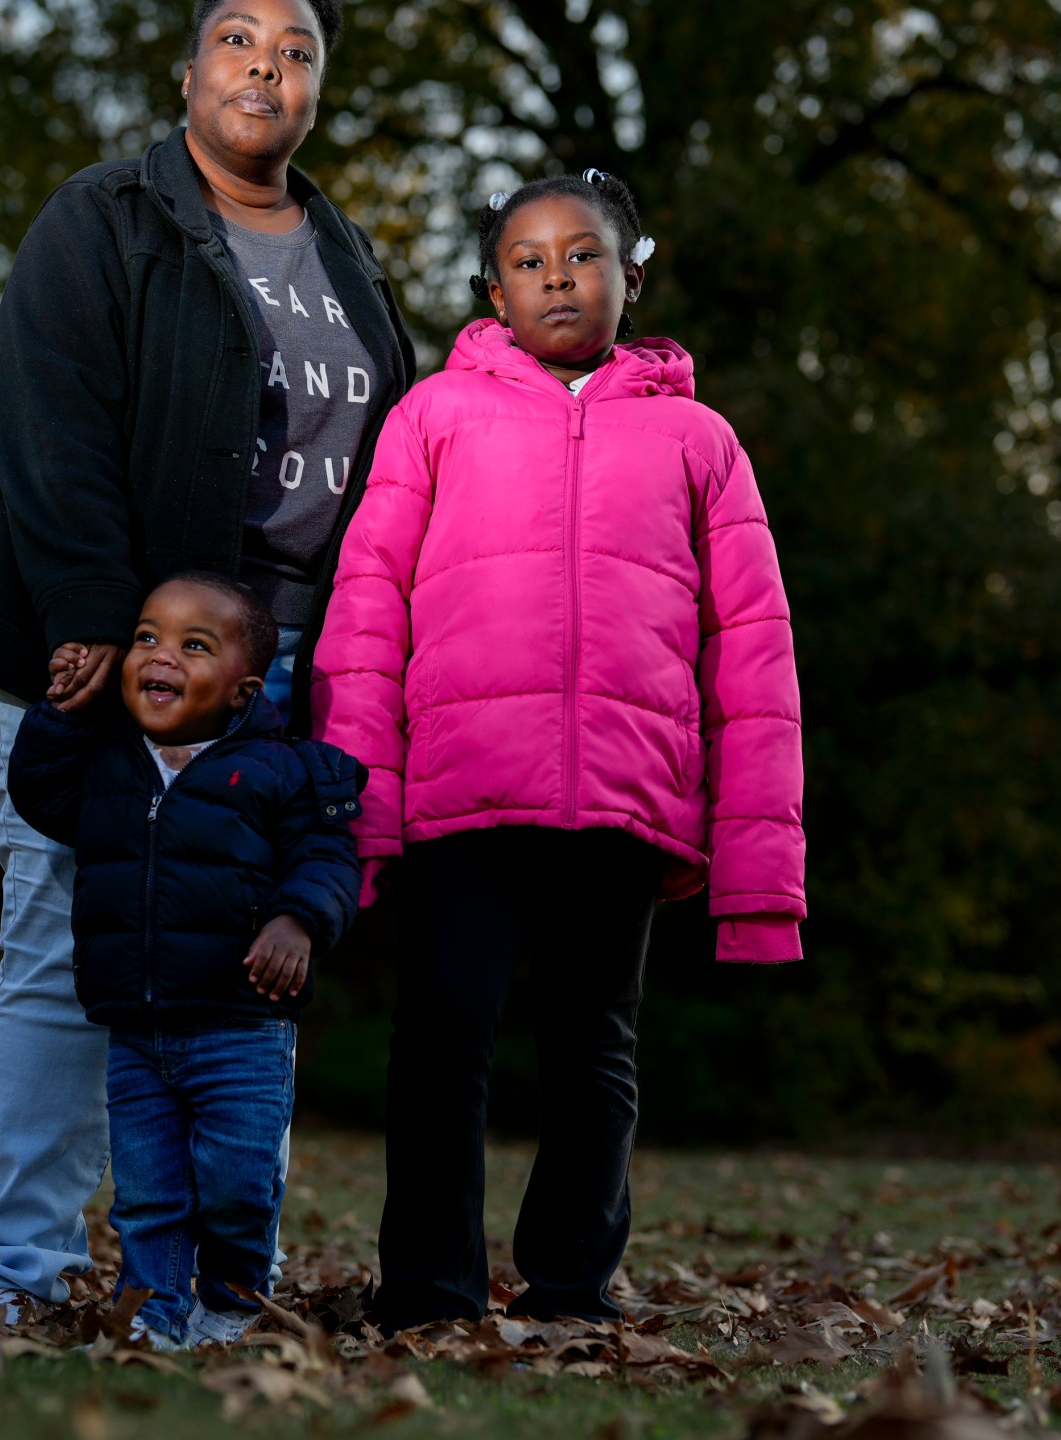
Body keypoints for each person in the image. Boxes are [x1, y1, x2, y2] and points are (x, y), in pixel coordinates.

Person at [0, 0, 412, 1317]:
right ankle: (17, 1275)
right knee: (59, 942)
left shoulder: (346, 254)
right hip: (113, 647)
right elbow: (49, 419)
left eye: (299, 49)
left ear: (317, 88)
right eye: (240, 39)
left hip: (277, 662)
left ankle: (209, 1284)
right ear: (188, 70)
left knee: (246, 960)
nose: (268, 65)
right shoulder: (105, 218)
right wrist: (91, 609)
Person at [311, 170, 806, 1331]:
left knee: (594, 1053)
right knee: (443, 1039)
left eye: (580, 256)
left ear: (632, 276)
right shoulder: (432, 416)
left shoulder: (699, 440)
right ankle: (429, 1287)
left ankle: (571, 1287)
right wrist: (356, 799)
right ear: (493, 290)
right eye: (526, 262)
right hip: (461, 794)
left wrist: (757, 873)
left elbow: (754, 652)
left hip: (624, 802)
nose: (555, 278)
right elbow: (367, 606)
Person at [6, 574, 366, 1349]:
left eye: (193, 646)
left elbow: (329, 859)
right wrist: (62, 708)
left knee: (237, 1184)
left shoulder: (284, 771)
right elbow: (38, 791)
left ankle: (234, 1300)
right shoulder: (110, 764)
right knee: (148, 1191)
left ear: (241, 691)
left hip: (241, 1028)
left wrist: (297, 920)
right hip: (137, 1031)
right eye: (147, 637)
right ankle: (157, 1312)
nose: (161, 655)